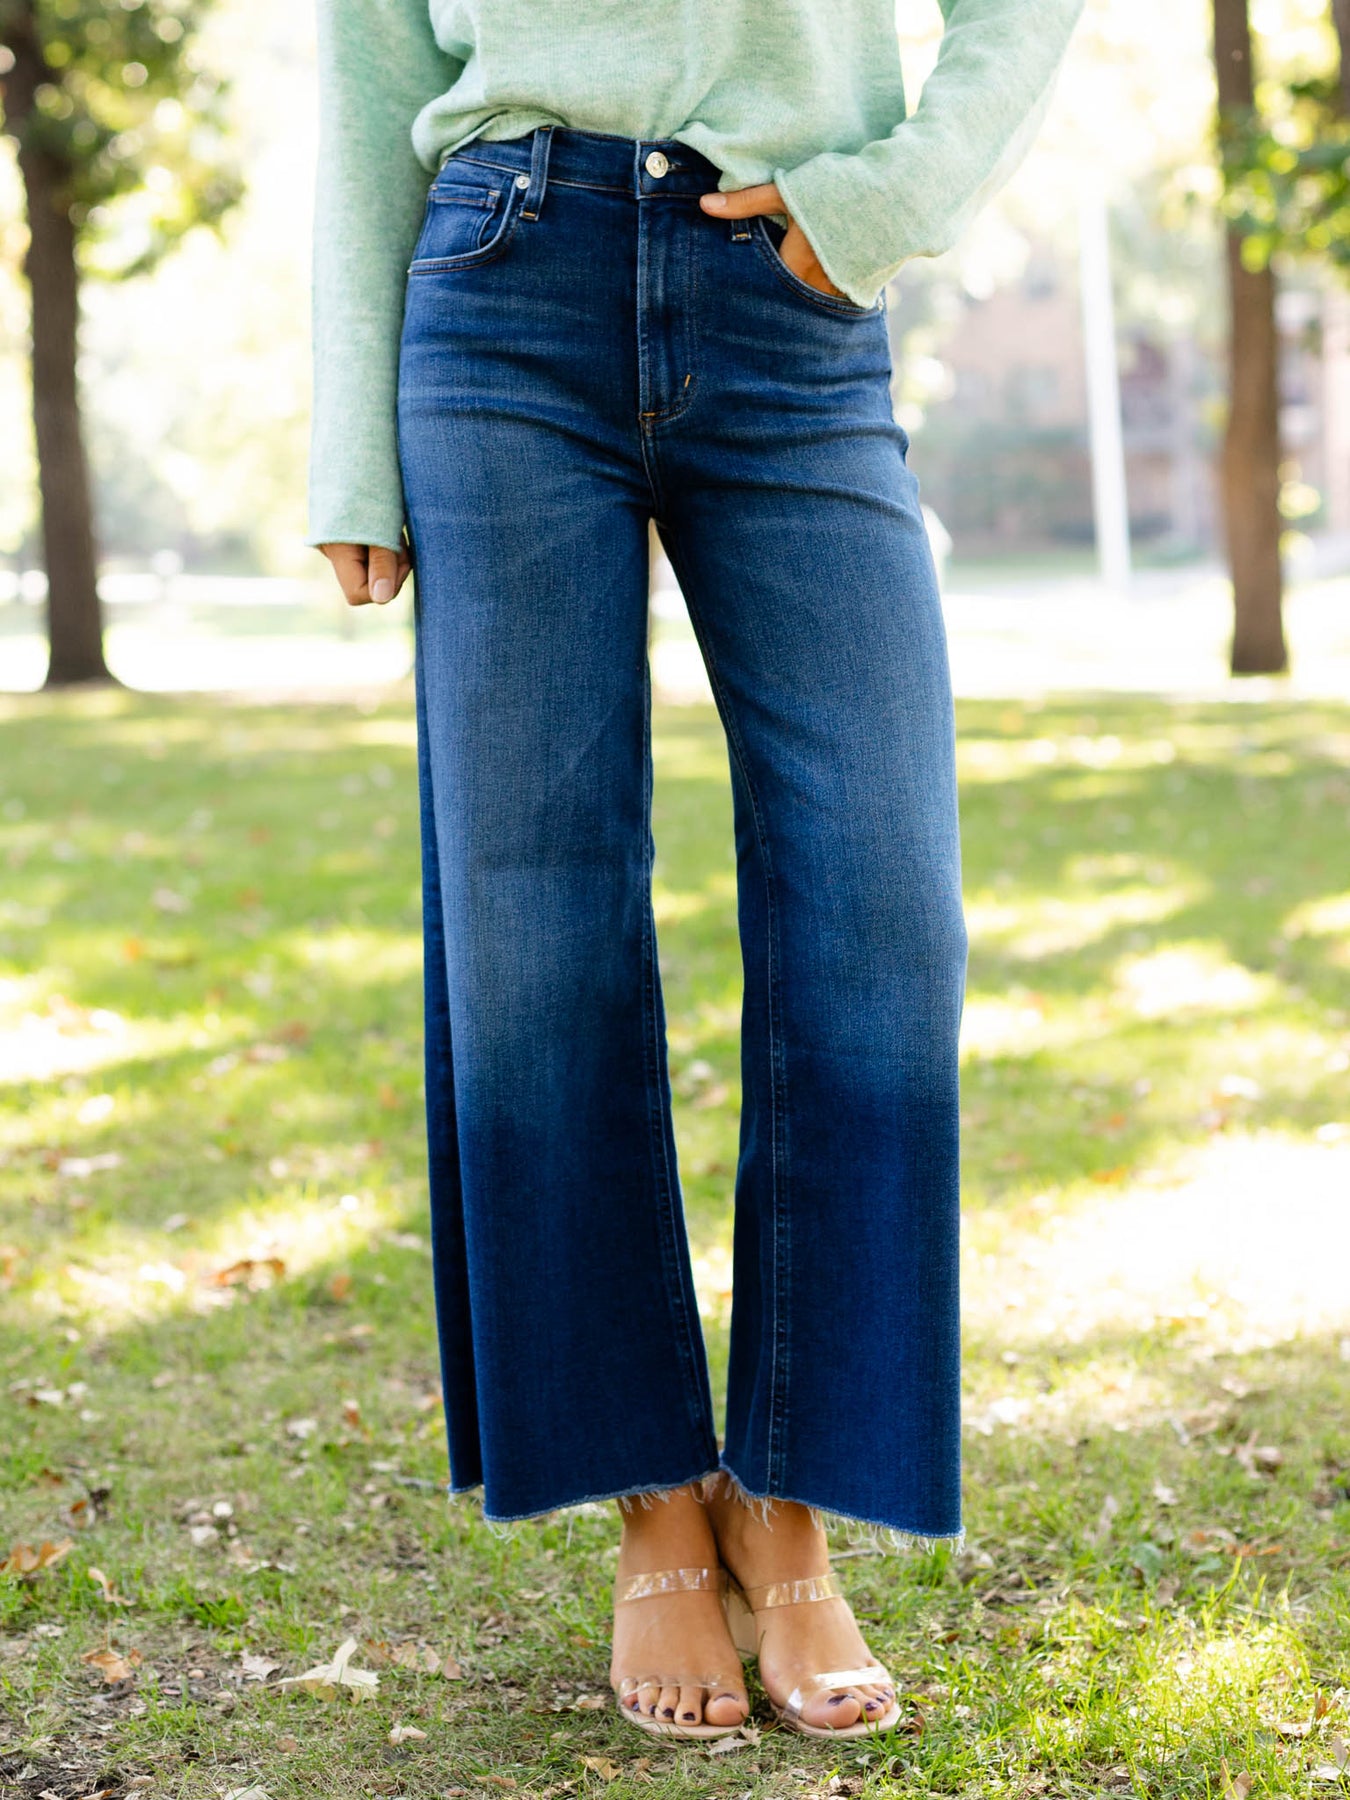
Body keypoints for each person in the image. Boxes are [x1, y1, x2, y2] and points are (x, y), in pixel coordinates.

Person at [307, 0, 1082, 1741]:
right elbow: (370, 67)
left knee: (884, 910)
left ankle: (787, 1491)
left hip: (790, 294)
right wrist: (349, 437)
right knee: (534, 928)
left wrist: (890, 195)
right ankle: (655, 1498)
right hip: (499, 286)